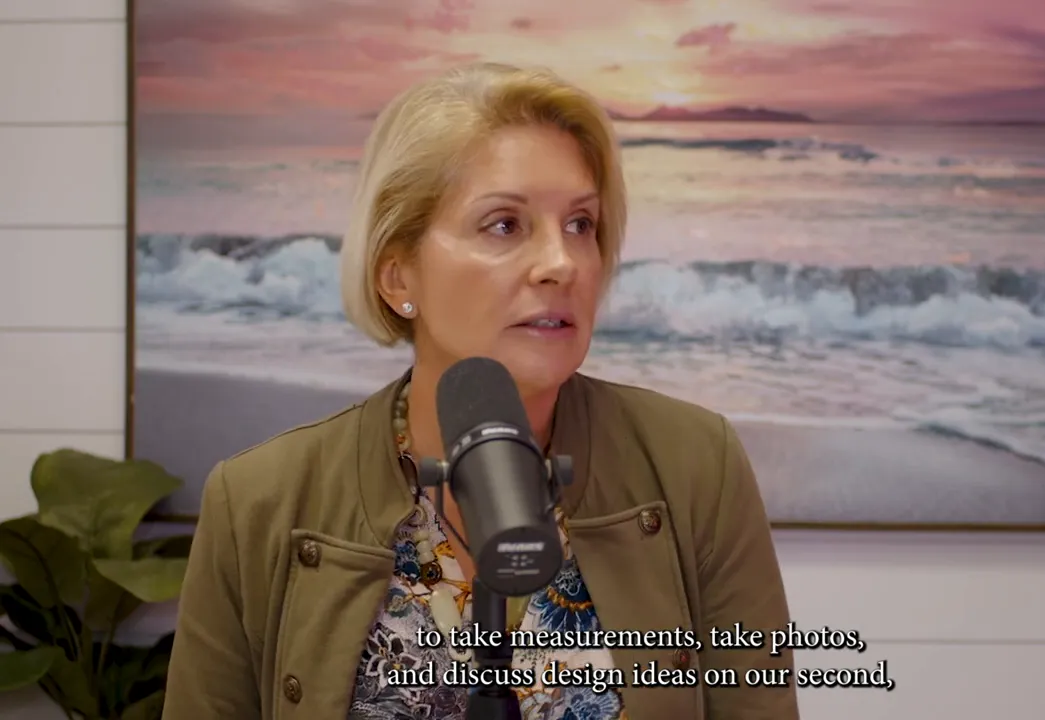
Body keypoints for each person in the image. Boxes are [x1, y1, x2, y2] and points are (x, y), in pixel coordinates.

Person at [161, 62, 798, 720]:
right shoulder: (256, 502)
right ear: (398, 276)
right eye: (504, 225)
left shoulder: (697, 466)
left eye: (580, 224)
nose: (562, 263)